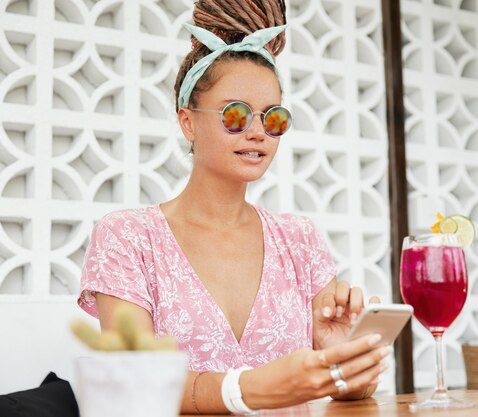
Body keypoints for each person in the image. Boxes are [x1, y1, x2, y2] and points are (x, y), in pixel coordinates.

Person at [77, 0, 389, 414]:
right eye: (236, 115)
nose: (258, 132)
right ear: (187, 121)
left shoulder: (300, 240)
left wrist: (342, 363)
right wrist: (245, 390)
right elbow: (133, 384)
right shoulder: (129, 238)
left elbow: (347, 394)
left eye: (273, 118)